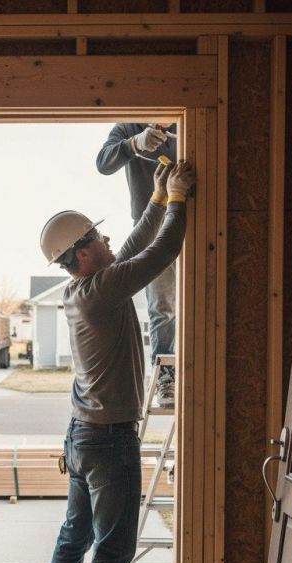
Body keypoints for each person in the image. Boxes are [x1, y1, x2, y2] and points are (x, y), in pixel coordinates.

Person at [34, 159, 195, 563]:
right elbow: (161, 253)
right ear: (83, 254)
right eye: (97, 236)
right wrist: (178, 200)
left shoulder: (84, 288)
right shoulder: (105, 289)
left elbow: (130, 249)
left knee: (75, 536)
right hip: (108, 442)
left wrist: (156, 199)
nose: (106, 239)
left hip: (83, 435)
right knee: (112, 550)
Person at [96, 122, 179, 406]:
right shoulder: (128, 127)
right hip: (150, 226)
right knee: (162, 308)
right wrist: (134, 144)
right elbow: (103, 163)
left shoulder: (186, 123)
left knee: (200, 304)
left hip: (195, 220)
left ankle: (201, 370)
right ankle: (166, 380)